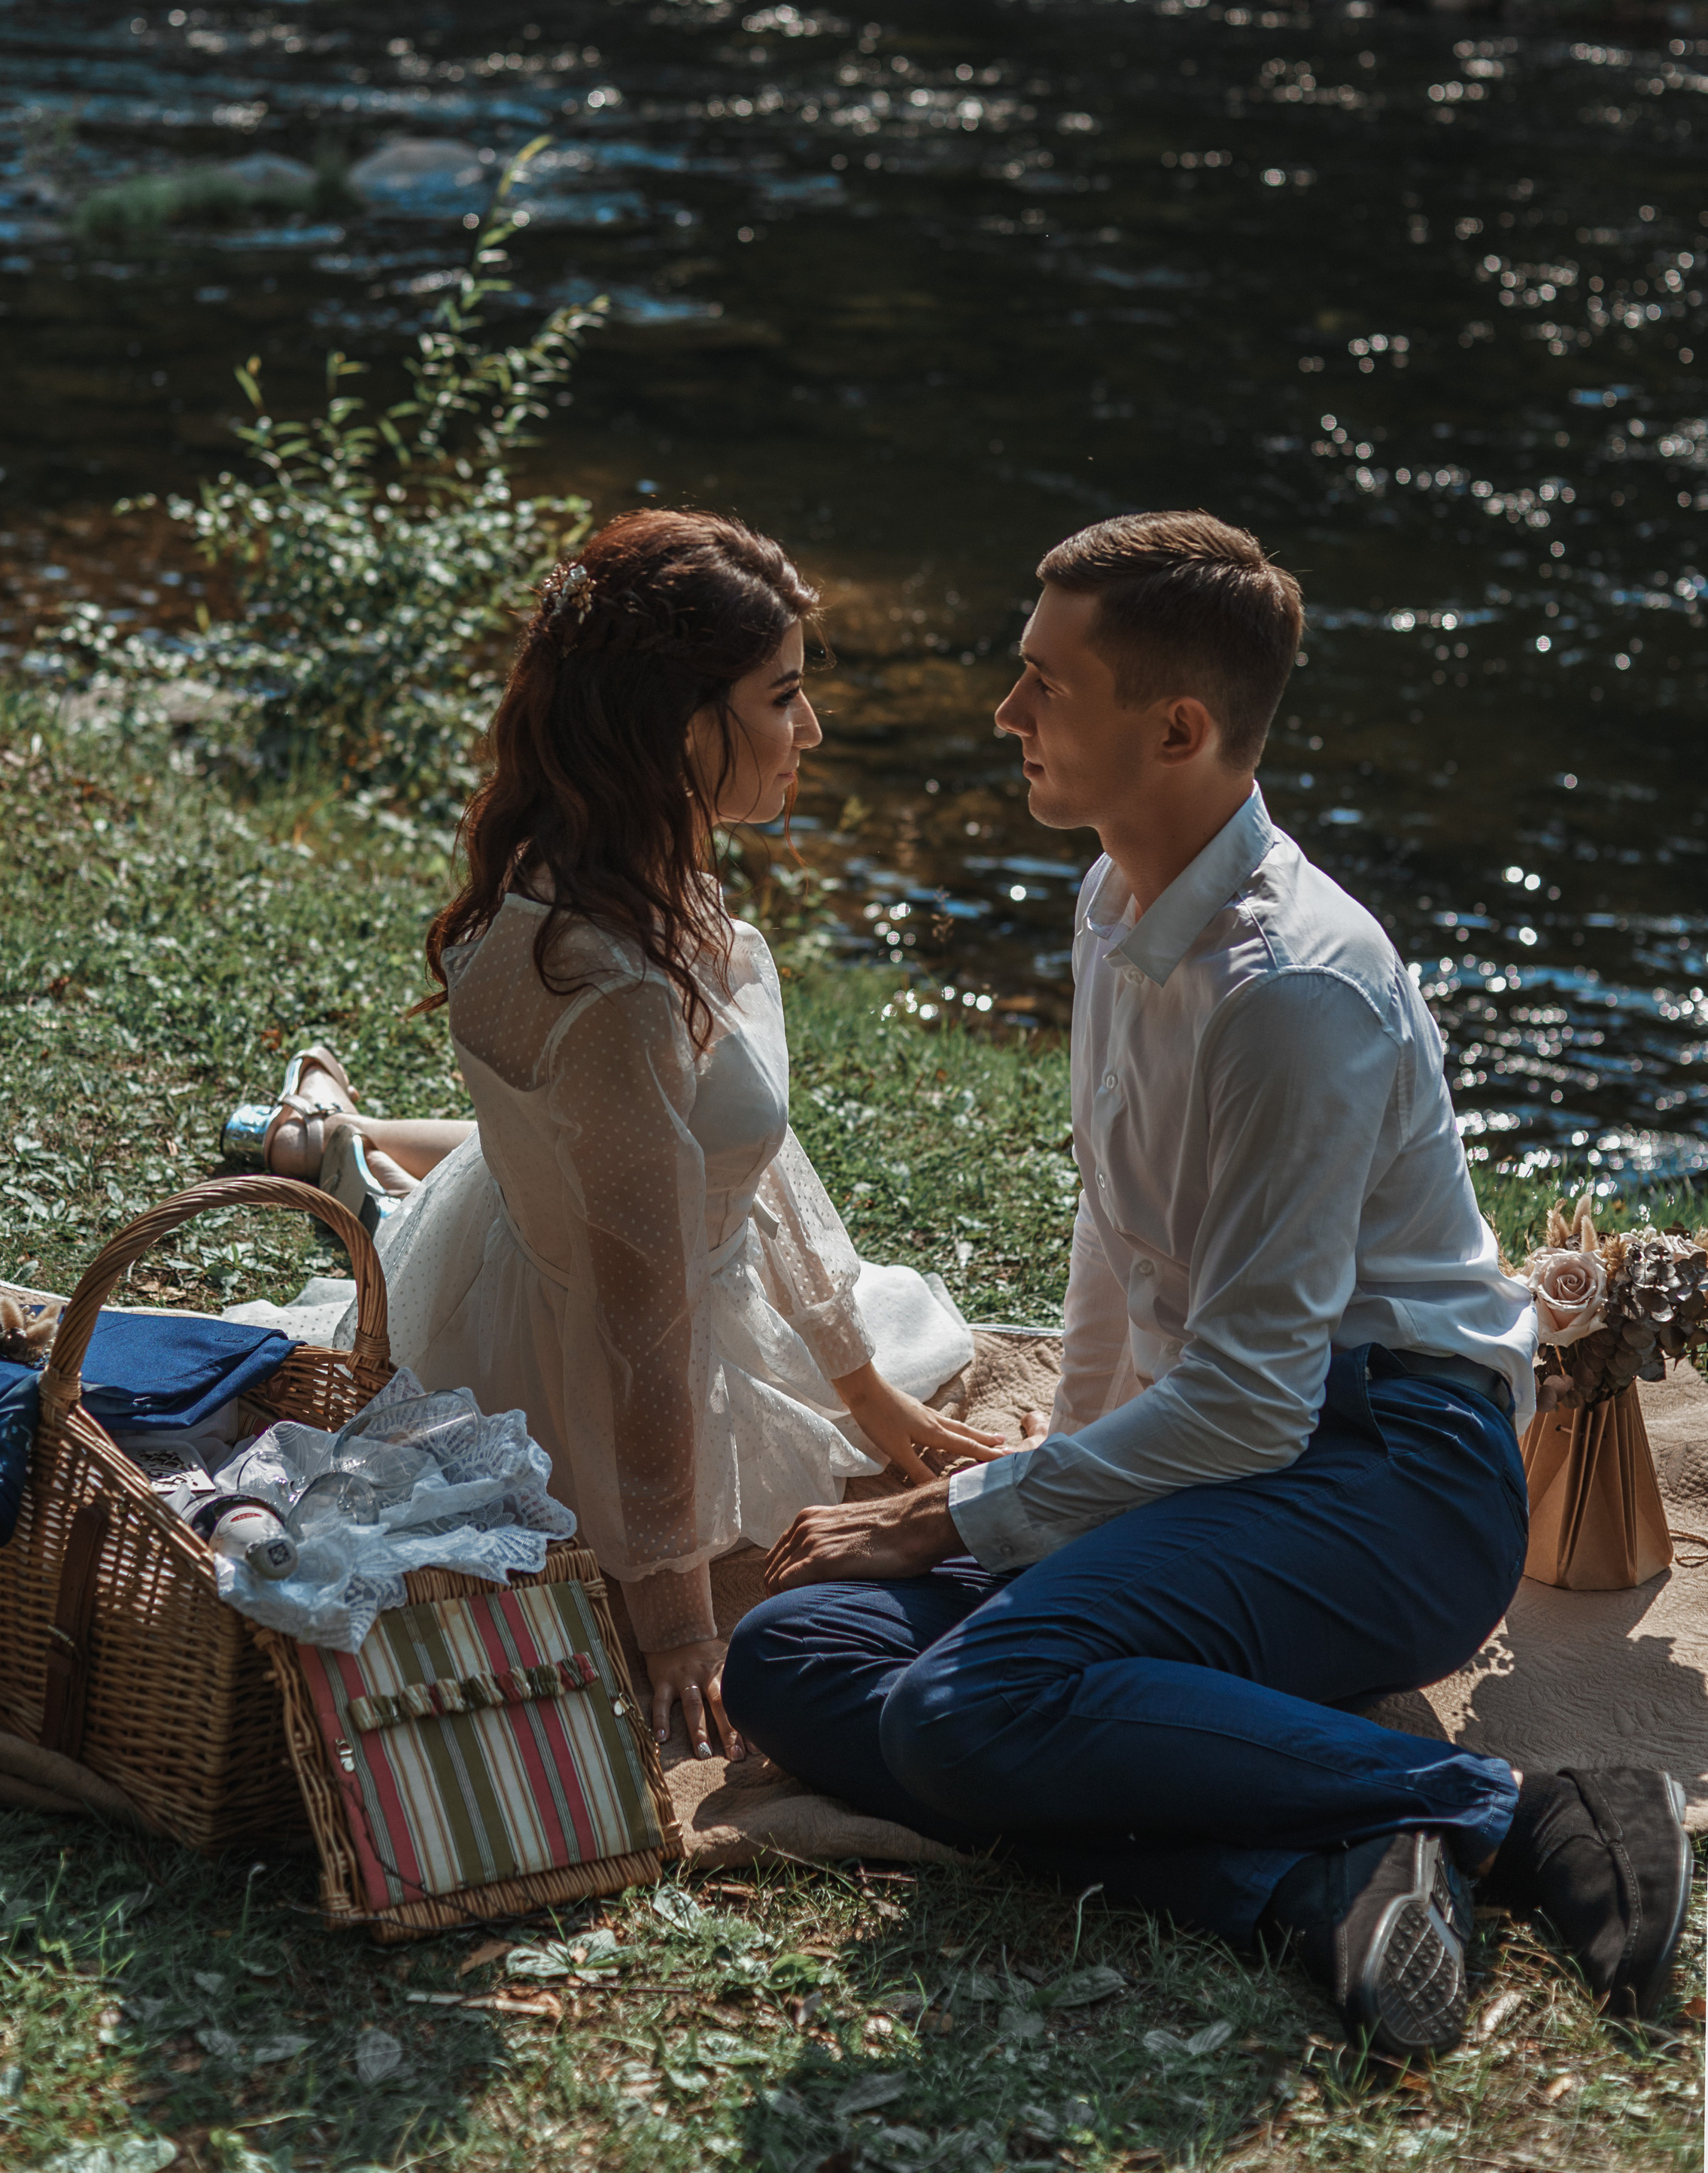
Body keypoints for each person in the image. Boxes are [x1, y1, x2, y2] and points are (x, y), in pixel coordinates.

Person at [723, 509, 1693, 2057]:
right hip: (1236, 1459)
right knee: (791, 1656)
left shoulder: (1288, 993)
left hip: (1391, 1482)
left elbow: (1249, 1399)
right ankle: (1303, 1880)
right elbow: (1120, 1247)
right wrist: (1059, 1499)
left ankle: (1511, 1808)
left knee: (964, 1709)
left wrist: (957, 1512)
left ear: (1173, 727)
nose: (1002, 712)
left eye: (1044, 683)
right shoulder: (1115, 907)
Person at [247, 512, 998, 1761]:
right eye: (785, 696)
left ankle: (347, 1141)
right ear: (679, 724)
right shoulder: (615, 985)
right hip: (596, 1364)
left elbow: (748, 1164)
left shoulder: (606, 859)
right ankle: (346, 1146)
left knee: (898, 1345)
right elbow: (645, 1325)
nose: (809, 730)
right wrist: (675, 1621)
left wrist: (857, 1379)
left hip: (526, 1242)